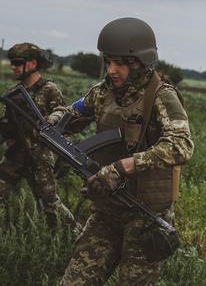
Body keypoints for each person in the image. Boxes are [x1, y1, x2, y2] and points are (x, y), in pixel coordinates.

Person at [50, 17, 193, 285]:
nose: (111, 70)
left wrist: (123, 167)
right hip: (106, 210)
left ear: (139, 62)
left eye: (118, 63)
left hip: (144, 214)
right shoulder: (104, 92)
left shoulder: (162, 97)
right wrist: (55, 120)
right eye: (108, 61)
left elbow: (181, 145)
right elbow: (73, 113)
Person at [0, 42, 77, 229]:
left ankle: (77, 237)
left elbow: (64, 124)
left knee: (51, 206)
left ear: (33, 64)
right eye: (12, 62)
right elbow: (6, 128)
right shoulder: (14, 95)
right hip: (17, 154)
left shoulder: (50, 89)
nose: (13, 66)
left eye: (18, 62)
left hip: (41, 156)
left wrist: (62, 158)